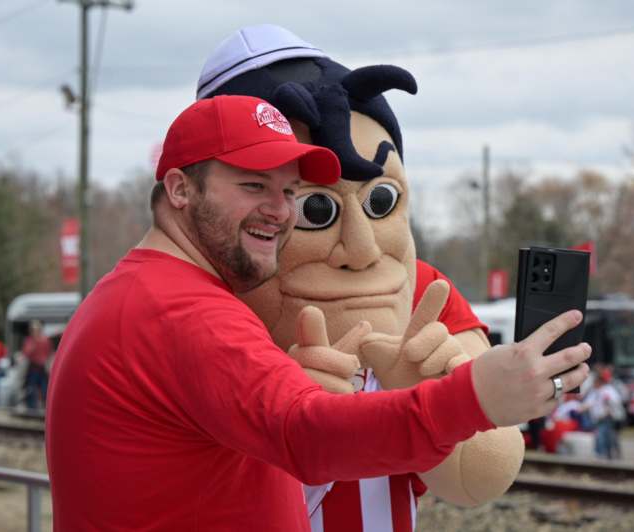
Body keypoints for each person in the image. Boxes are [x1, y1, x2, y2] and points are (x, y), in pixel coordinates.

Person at [45, 95, 591, 531]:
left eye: (290, 191)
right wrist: (473, 398)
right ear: (180, 189)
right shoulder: (184, 310)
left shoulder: (136, 291)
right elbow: (309, 436)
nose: (278, 211)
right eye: (252, 185)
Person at [198, 25, 526, 529]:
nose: (362, 248)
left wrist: (440, 397)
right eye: (316, 208)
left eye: (381, 201)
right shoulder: (200, 301)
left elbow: (479, 474)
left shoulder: (421, 291)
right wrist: (281, 411)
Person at [580, 368, 622, 460]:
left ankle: (604, 454)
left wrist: (608, 409)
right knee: (604, 436)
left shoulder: (608, 390)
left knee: (604, 436)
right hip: (597, 418)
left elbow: (615, 401)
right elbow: (589, 403)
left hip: (606, 418)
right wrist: (581, 408)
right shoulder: (595, 391)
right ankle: (607, 454)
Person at [22, 320, 52, 409]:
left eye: (37, 329)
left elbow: (48, 353)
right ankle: (32, 408)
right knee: (31, 389)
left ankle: (45, 408)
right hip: (33, 367)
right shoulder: (29, 340)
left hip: (42, 368)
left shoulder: (45, 340)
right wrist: (34, 344)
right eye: (33, 329)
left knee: (44, 389)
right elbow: (26, 353)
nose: (35, 331)